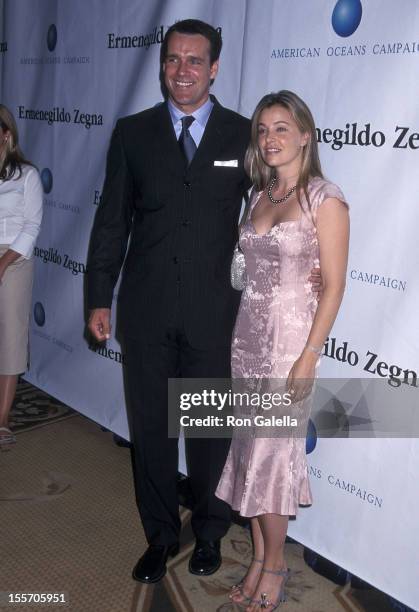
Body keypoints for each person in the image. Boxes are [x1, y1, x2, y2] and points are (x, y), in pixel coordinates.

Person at [87, 21, 320, 584]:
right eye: (173, 60)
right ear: (162, 65)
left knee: (211, 432)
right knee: (153, 432)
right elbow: (111, 222)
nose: (183, 70)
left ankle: (211, 533)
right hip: (146, 314)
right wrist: (99, 296)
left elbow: (279, 198)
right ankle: (161, 534)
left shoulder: (244, 135)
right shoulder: (132, 132)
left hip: (218, 318)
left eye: (195, 61)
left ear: (214, 68)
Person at [215, 90, 349, 611]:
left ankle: (276, 564)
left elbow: (335, 285)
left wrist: (309, 356)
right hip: (247, 336)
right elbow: (242, 271)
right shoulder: (259, 194)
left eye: (281, 129)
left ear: (305, 136)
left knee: (273, 456)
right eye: (263, 130)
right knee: (251, 450)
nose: (270, 139)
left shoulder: (324, 197)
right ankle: (256, 558)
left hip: (290, 344)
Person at [0, 104, 43, 446]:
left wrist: (2, 264)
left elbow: (31, 227)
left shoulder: (26, 176)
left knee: (11, 339)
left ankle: (2, 419)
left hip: (14, 261)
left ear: (7, 134)